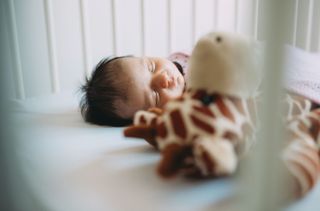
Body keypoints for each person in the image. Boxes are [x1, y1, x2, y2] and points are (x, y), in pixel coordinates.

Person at [80, 53, 190, 127]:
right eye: (156, 97)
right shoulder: (188, 112)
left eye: (152, 67)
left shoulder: (180, 57)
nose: (164, 78)